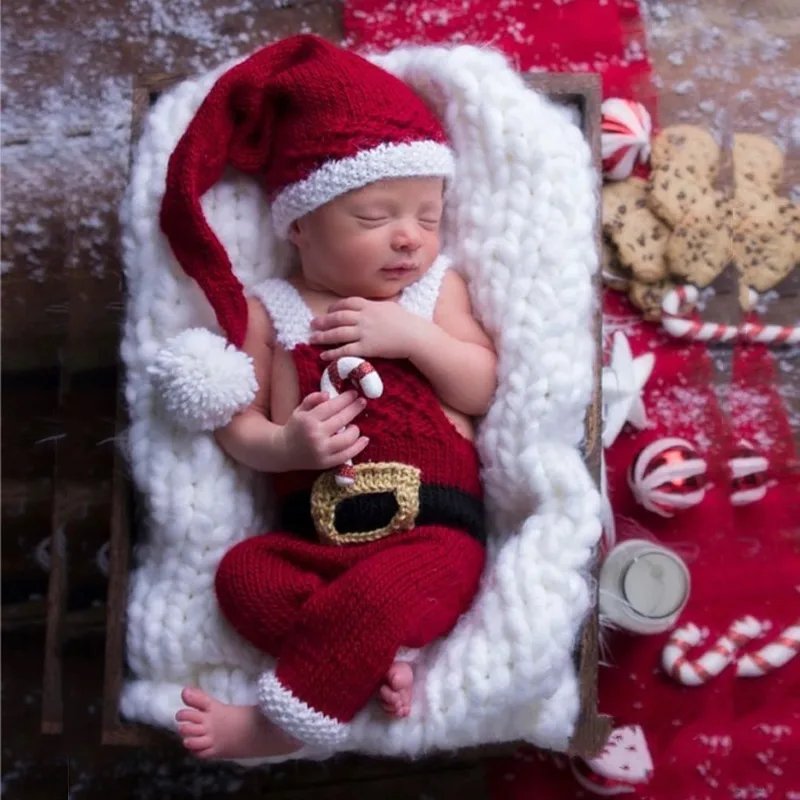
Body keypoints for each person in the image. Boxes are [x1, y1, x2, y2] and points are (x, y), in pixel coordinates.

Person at [157, 34, 497, 760]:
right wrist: (284, 446)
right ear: (302, 224)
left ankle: (276, 729)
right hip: (313, 546)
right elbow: (234, 427)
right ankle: (369, 659)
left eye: (428, 217)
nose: (409, 238)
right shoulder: (269, 312)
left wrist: (414, 338)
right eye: (375, 218)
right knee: (242, 579)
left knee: (378, 596)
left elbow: (480, 384)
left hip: (432, 538)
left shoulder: (433, 295)